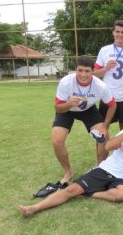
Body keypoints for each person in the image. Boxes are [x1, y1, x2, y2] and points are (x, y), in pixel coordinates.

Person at [18, 109, 123, 217]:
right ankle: (34, 208)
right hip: (106, 170)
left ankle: (89, 193)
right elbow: (109, 147)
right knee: (71, 190)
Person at [34, 55, 117, 198]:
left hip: (88, 110)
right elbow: (58, 107)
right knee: (57, 140)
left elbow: (112, 105)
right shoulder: (66, 82)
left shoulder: (100, 85)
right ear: (75, 70)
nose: (83, 75)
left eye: (87, 71)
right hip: (67, 110)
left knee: (104, 137)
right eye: (80, 70)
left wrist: (105, 125)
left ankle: (100, 168)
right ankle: (68, 173)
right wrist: (69, 104)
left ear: (93, 71)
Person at [94, 20, 123, 131]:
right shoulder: (104, 50)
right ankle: (103, 149)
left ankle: (122, 149)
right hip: (107, 95)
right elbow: (94, 74)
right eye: (117, 31)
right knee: (104, 126)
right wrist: (106, 68)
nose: (120, 34)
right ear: (113, 32)